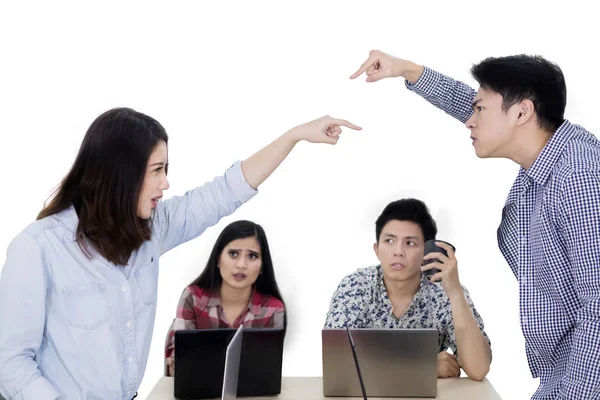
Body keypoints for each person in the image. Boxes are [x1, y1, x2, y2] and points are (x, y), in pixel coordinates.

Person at [0, 107, 360, 400]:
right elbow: (10, 363)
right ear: (119, 174)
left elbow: (225, 191)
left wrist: (293, 135)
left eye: (165, 170)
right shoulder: (38, 249)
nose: (165, 183)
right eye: (157, 170)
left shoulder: (151, 230)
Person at [350, 50, 600, 399]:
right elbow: (471, 104)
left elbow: (599, 306)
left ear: (522, 112)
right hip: (563, 376)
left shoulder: (578, 175)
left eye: (480, 109)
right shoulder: (548, 159)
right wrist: (409, 70)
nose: (470, 119)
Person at [324, 198, 491, 381]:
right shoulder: (355, 286)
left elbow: (478, 368)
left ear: (426, 252)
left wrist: (455, 292)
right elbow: (338, 364)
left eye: (410, 243)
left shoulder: (444, 291)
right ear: (377, 249)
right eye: (389, 240)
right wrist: (424, 367)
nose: (398, 251)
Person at [164, 219, 285, 376]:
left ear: (262, 267)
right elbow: (179, 365)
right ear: (218, 259)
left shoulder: (273, 309)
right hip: (197, 388)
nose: (242, 265)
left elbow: (267, 370)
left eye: (252, 256)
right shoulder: (193, 298)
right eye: (233, 254)